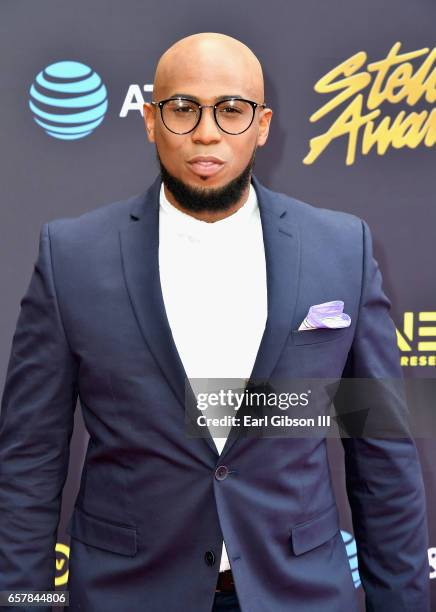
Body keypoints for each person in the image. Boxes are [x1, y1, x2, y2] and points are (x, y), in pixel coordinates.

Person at [0, 32, 430, 612]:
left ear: (263, 125)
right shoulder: (71, 256)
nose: (207, 132)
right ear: (151, 120)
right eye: (183, 109)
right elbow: (29, 458)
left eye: (231, 110)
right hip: (127, 595)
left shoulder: (340, 248)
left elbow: (380, 451)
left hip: (300, 594)